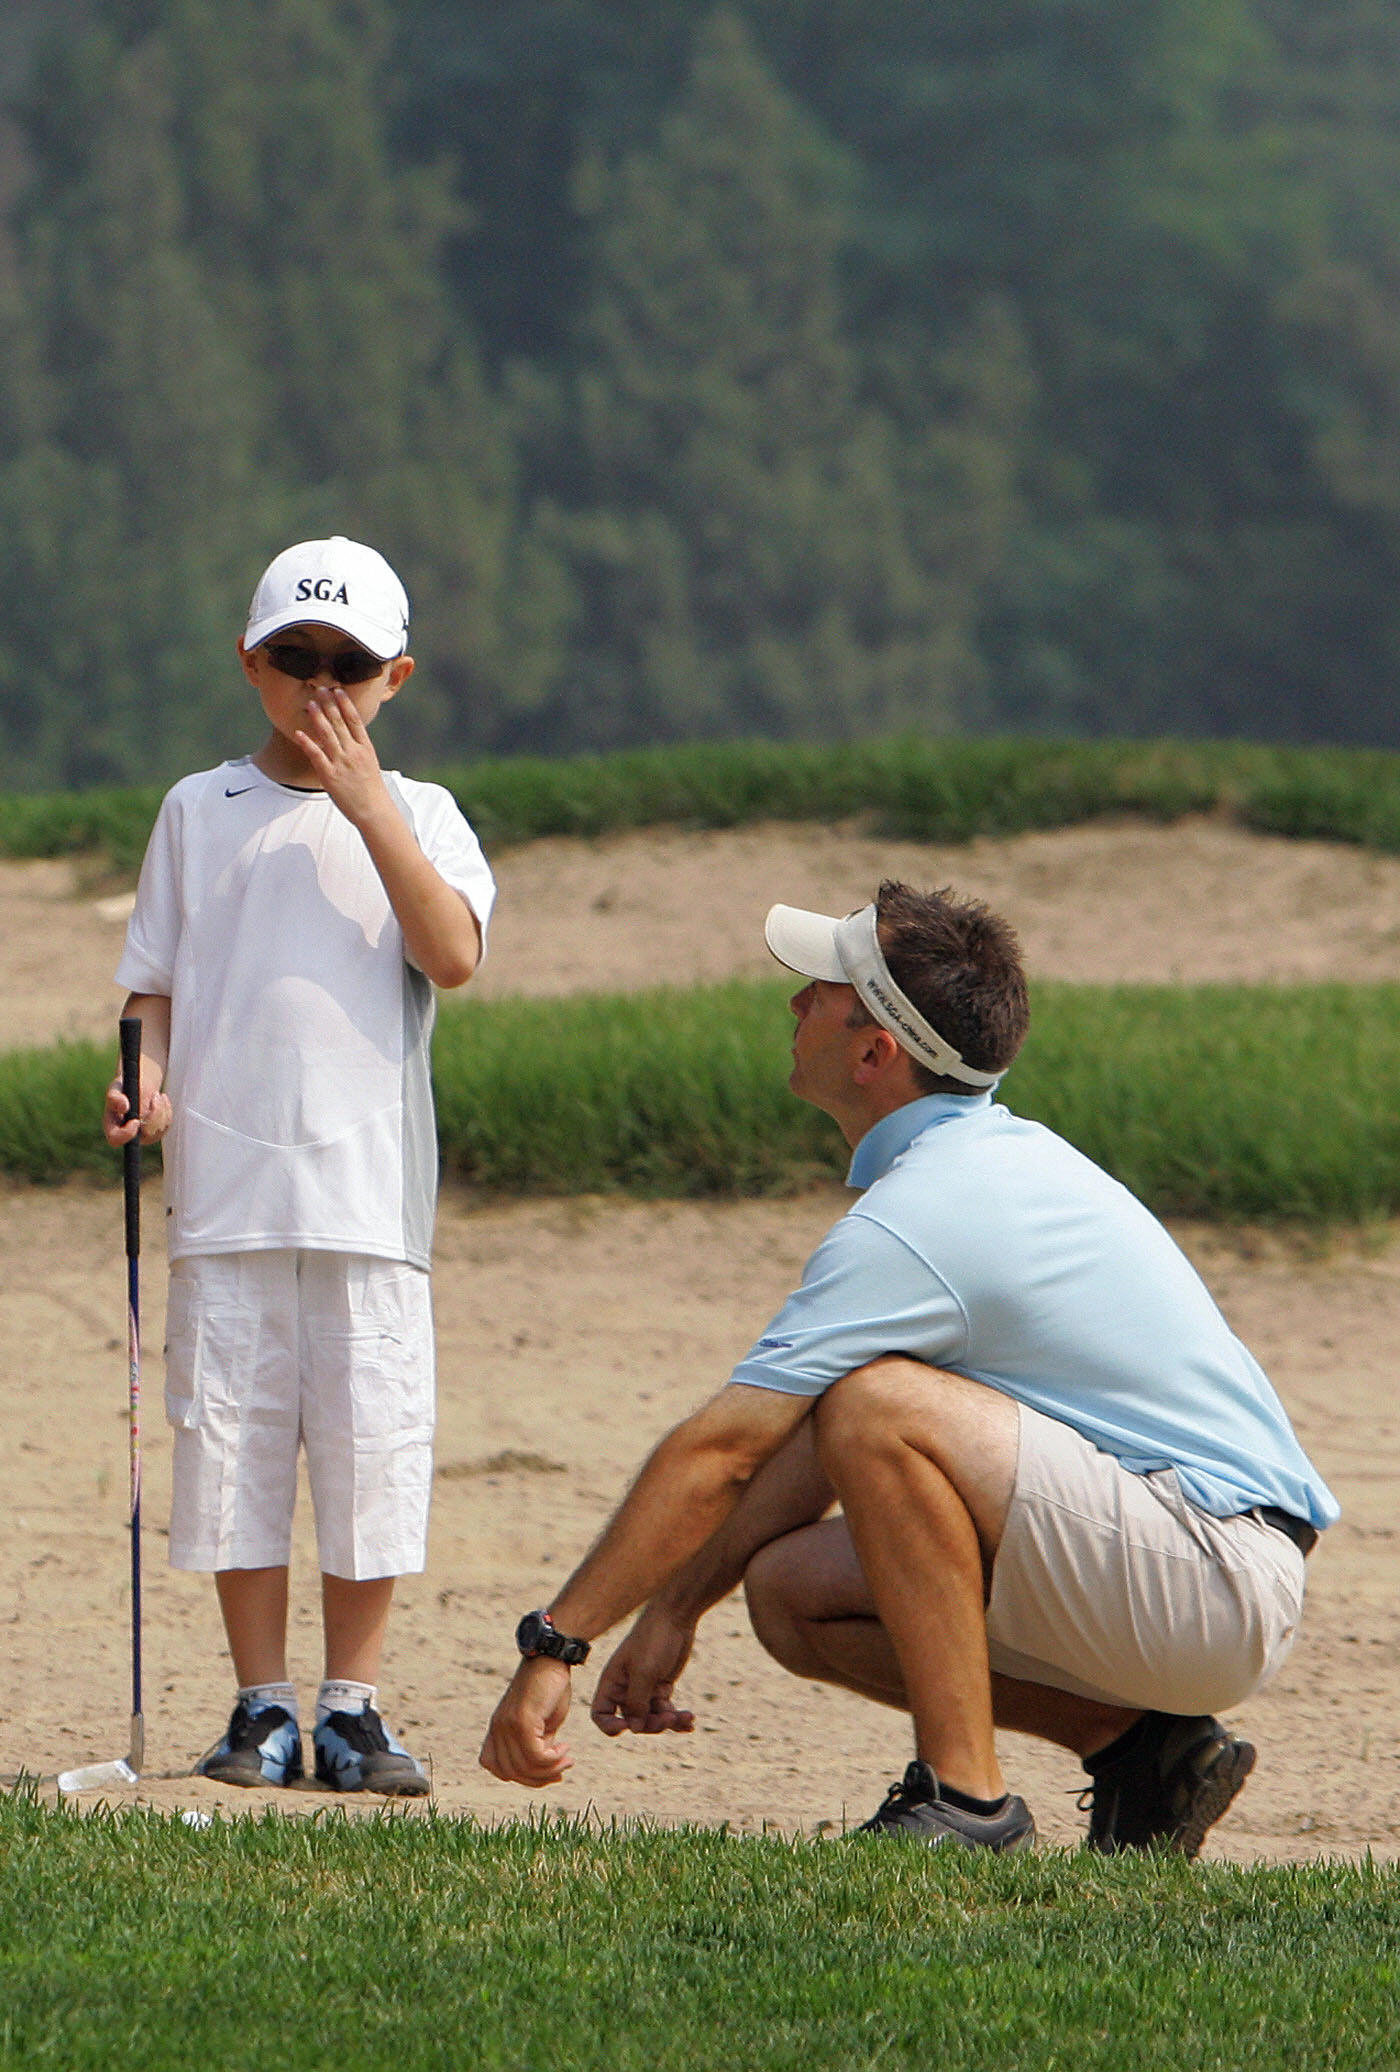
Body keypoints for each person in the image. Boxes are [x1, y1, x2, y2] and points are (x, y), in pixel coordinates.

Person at [478, 884, 1336, 1853]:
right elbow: (803, 1444)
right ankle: (1145, 1752)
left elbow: (721, 1449)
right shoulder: (974, 1166)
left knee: (878, 1405)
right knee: (793, 1588)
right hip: (1192, 1567)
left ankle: (965, 1799)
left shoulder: (927, 1208)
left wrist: (556, 1644)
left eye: (821, 989)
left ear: (874, 1050)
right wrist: (676, 1604)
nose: (795, 1003)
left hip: (1213, 1578)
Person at [106, 537, 494, 1794]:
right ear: (250, 661)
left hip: (369, 1192)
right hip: (226, 1188)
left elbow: (452, 951)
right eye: (296, 657)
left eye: (350, 663)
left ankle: (355, 1703)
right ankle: (260, 1701)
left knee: (370, 1438)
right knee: (232, 1439)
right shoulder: (196, 809)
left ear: (397, 676)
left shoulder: (425, 813)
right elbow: (153, 987)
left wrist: (369, 803)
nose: (321, 684)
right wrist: (145, 1081)